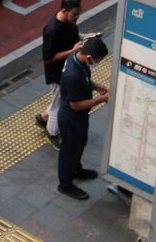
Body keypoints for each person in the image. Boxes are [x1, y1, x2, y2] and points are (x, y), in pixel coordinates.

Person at [57, 36, 110, 201]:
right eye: (97, 60)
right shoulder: (73, 74)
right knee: (69, 150)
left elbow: (85, 78)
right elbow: (76, 105)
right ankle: (65, 184)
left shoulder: (79, 61)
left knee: (80, 144)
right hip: (71, 118)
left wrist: (96, 86)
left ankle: (76, 169)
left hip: (79, 118)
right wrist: (100, 99)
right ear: (89, 57)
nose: (96, 63)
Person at [36, 0, 85, 149]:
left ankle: (43, 118)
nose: (77, 18)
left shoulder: (69, 23)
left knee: (59, 100)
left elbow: (72, 36)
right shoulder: (52, 30)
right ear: (64, 11)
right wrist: (73, 51)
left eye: (78, 14)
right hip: (56, 74)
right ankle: (52, 134)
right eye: (74, 15)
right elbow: (48, 58)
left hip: (65, 70)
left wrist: (85, 37)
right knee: (59, 105)